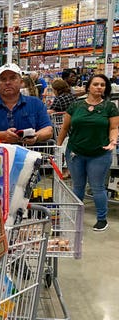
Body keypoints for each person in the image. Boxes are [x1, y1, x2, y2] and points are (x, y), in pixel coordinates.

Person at [57, 74, 119, 232]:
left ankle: (101, 219)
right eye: (96, 84)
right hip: (75, 152)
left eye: (103, 85)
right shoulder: (76, 105)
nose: (99, 87)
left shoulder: (109, 107)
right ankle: (76, 217)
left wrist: (113, 141)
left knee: (97, 187)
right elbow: (64, 128)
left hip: (100, 153)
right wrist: (58, 147)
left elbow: (113, 128)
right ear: (88, 87)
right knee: (77, 186)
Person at [0, 63, 53, 144]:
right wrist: (3, 135)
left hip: (31, 154)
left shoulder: (36, 104)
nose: (8, 82)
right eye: (3, 79)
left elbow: (48, 130)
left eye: (13, 78)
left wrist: (36, 136)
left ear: (21, 82)